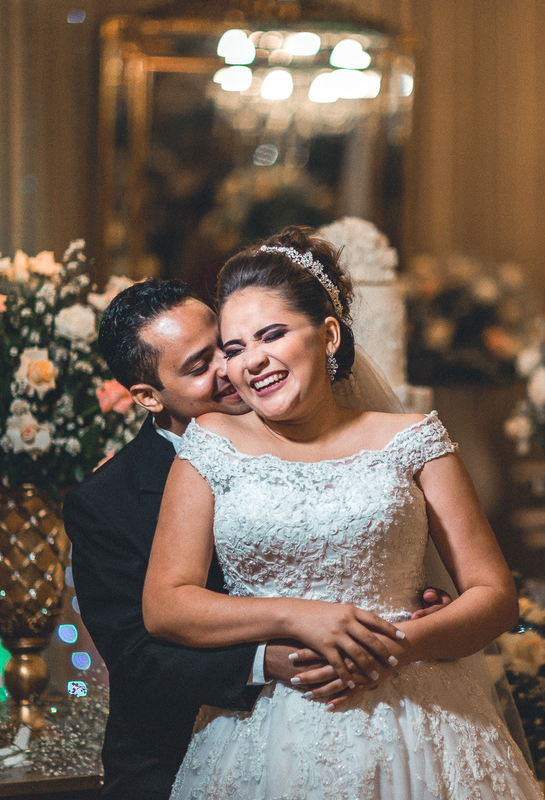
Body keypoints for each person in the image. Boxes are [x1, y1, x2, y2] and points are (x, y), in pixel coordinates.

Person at [142, 227, 543, 799]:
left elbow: (495, 595)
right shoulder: (211, 444)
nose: (253, 361)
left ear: (328, 335)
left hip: (420, 721)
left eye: (272, 335)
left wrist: (395, 645)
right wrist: (298, 617)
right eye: (234, 349)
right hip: (265, 735)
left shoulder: (413, 440)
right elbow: (166, 604)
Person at [63, 280, 451, 800]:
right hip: (180, 756)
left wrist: (407, 605)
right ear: (148, 397)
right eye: (200, 367)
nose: (232, 370)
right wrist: (264, 658)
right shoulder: (107, 499)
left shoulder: (309, 431)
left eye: (225, 346)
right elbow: (134, 654)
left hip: (361, 719)